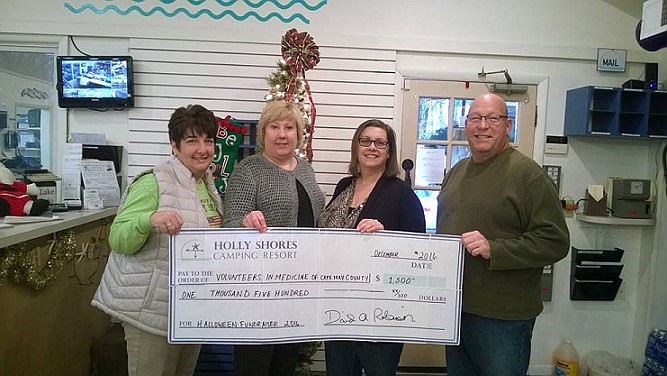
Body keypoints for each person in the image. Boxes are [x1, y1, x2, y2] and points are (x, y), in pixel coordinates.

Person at [436, 93, 570, 376]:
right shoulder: (456, 172)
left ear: (507, 126)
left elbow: (555, 241)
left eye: (491, 118)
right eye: (475, 118)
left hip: (503, 319)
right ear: (466, 124)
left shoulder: (528, 176)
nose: (482, 126)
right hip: (456, 310)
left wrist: (495, 249)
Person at [92, 104, 222, 376]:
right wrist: (148, 219)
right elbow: (118, 238)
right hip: (152, 313)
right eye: (191, 141)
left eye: (208, 140)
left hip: (188, 310)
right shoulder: (153, 182)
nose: (202, 149)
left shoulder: (207, 184)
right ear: (174, 145)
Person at [223, 100, 326, 376]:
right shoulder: (249, 170)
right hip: (258, 293)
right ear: (263, 133)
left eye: (289, 127)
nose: (282, 134)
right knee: (254, 366)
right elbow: (229, 224)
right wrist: (245, 222)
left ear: (298, 134)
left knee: (285, 364)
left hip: (295, 289)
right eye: (274, 127)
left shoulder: (305, 168)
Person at [318, 119, 426, 376]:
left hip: (380, 310)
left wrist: (385, 236)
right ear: (356, 147)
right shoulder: (344, 185)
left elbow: (419, 251)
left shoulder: (402, 194)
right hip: (338, 305)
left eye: (380, 143)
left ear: (389, 152)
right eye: (365, 141)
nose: (372, 147)